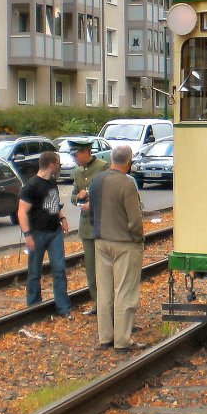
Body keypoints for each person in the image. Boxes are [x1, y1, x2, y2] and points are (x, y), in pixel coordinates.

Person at [89, 145, 145, 350]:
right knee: (124, 292)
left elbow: (91, 212)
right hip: (124, 242)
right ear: (129, 161)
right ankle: (122, 340)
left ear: (112, 159)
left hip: (101, 240)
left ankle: (105, 337)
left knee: (104, 291)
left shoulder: (97, 180)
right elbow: (135, 219)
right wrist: (137, 238)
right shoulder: (126, 184)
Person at [17, 151, 71, 318]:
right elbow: (22, 212)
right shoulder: (31, 186)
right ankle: (33, 307)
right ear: (52, 164)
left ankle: (63, 308)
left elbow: (54, 204)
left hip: (54, 232)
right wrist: (27, 235)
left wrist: (62, 218)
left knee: (59, 269)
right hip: (37, 233)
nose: (59, 167)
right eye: (58, 163)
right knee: (34, 272)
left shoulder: (52, 183)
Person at [69, 138, 109, 315]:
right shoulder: (78, 172)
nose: (74, 158)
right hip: (86, 226)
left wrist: (91, 203)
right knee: (91, 269)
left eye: (76, 154)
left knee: (105, 268)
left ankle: (108, 304)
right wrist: (78, 196)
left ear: (86, 152)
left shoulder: (103, 167)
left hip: (102, 225)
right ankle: (97, 303)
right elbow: (72, 196)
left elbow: (107, 194)